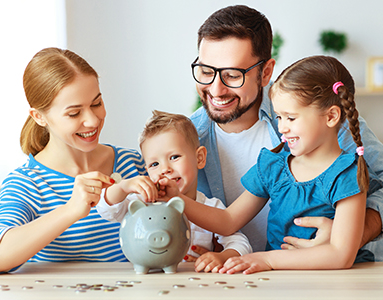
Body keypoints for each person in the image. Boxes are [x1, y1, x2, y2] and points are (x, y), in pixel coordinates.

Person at [190, 5, 383, 258]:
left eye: (232, 75)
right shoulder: (186, 139)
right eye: (206, 71)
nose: (215, 90)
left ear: (266, 72)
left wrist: (351, 233)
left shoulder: (323, 120)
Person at [163, 55, 381, 274]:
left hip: (332, 283)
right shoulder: (274, 166)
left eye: (291, 118)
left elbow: (340, 255)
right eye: (278, 117)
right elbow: (228, 221)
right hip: (276, 282)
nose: (282, 128)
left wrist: (267, 260)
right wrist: (175, 198)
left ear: (331, 116)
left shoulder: (347, 173)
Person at [0, 47, 157, 276]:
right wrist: (71, 210)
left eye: (96, 103)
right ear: (39, 117)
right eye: (74, 113)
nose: (93, 120)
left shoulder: (132, 162)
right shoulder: (27, 183)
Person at [97, 110, 252, 273]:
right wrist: (123, 186)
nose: (165, 169)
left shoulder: (210, 207)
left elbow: (240, 243)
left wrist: (220, 257)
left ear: (199, 158)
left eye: (174, 157)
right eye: (154, 164)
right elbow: (106, 209)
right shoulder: (143, 202)